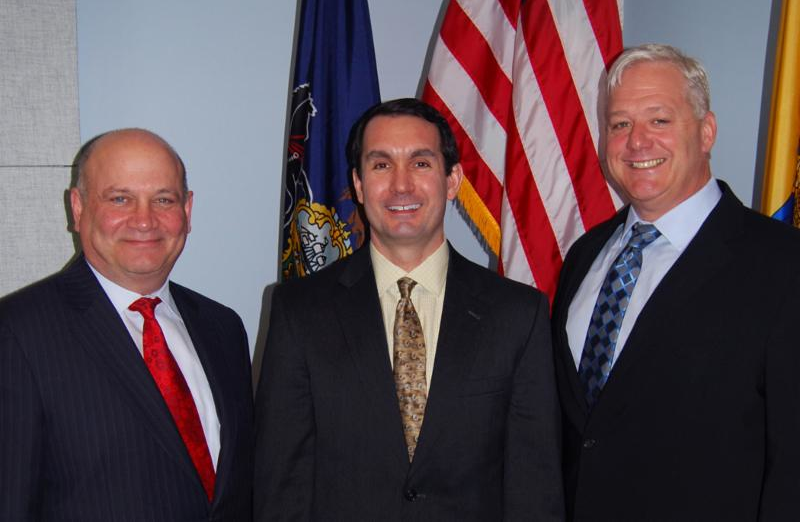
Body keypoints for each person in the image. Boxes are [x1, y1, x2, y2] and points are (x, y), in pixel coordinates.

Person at [254, 98, 564, 521]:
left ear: (452, 180)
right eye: (381, 165)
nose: (401, 185)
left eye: (420, 163)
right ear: (359, 184)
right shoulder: (298, 313)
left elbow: (535, 491)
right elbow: (280, 489)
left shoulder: (519, 316)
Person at [551, 43, 800, 521]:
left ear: (707, 132)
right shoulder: (585, 255)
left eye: (659, 120)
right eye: (620, 124)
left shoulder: (785, 266)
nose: (637, 142)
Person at [0, 129, 254, 520]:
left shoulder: (223, 327)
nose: (144, 220)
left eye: (163, 199)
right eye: (120, 198)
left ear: (187, 211)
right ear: (78, 208)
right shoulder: (17, 333)